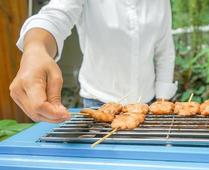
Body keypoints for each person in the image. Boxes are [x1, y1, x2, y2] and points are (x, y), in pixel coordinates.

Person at [9, 0, 177, 123]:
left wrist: (162, 102)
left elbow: (165, 50)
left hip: (146, 104)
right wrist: (36, 48)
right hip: (98, 103)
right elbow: (56, 15)